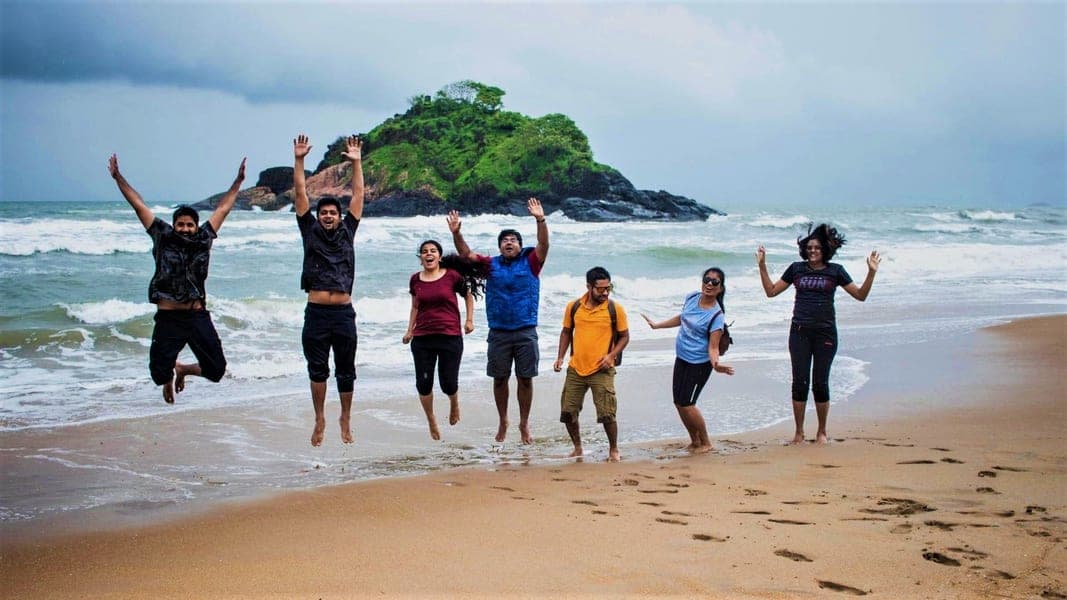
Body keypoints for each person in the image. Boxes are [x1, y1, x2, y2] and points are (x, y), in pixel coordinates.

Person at [108, 153, 246, 404]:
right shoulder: (162, 236)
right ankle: (170, 376)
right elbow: (138, 205)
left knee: (216, 370)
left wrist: (237, 182)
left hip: (196, 315)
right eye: (180, 224)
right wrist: (118, 177)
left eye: (189, 225)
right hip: (169, 317)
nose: (184, 229)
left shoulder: (204, 238)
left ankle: (183, 369)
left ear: (196, 226)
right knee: (158, 373)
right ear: (173, 226)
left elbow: (223, 208)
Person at [757, 223, 881, 444]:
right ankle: (798, 432)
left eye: (817, 248)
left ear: (824, 250)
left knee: (820, 383)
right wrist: (762, 266)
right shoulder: (796, 269)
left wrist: (871, 272)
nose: (812, 251)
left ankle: (822, 431)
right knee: (799, 382)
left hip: (825, 334)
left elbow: (860, 295)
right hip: (799, 332)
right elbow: (771, 291)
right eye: (809, 248)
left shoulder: (836, 271)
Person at [447, 198, 549, 444]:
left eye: (513, 240)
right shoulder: (491, 265)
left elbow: (544, 243)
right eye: (504, 241)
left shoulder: (532, 262)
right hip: (499, 332)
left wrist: (540, 219)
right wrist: (457, 233)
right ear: (500, 247)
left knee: (525, 378)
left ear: (520, 246)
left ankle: (524, 423)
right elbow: (466, 254)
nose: (509, 243)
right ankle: (503, 420)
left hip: (526, 330)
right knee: (500, 378)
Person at [293, 133, 364, 447]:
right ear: (318, 217)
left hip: (343, 314)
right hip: (317, 314)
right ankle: (320, 416)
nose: (328, 216)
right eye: (324, 213)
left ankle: (345, 416)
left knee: (346, 370)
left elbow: (359, 194)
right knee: (317, 369)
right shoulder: (309, 230)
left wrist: (356, 162)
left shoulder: (349, 229)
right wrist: (299, 161)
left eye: (333, 213)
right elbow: (299, 193)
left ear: (339, 216)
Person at [402, 240, 490, 440]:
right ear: (421, 258)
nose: (429, 254)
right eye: (424, 252)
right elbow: (415, 306)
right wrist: (409, 331)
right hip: (422, 338)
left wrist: (469, 320)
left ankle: (454, 403)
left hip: (450, 336)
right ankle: (431, 419)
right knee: (423, 384)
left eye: (433, 251)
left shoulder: (452, 276)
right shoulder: (415, 279)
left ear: (439, 257)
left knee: (448, 383)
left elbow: (468, 296)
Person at [641, 267, 735, 453]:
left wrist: (716, 364)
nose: (709, 284)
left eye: (715, 282)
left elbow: (713, 346)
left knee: (688, 404)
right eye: (707, 280)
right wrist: (658, 326)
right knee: (678, 402)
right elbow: (683, 318)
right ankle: (695, 441)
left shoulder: (716, 316)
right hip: (682, 357)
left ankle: (706, 442)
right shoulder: (692, 297)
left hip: (699, 364)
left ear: (720, 288)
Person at [552, 266, 630, 462]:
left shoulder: (615, 309)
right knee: (568, 412)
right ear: (589, 287)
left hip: (602, 369)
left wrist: (611, 355)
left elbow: (624, 336)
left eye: (608, 288)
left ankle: (613, 449)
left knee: (607, 413)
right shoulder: (574, 306)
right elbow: (566, 332)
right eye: (600, 289)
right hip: (576, 367)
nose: (605, 293)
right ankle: (578, 447)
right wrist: (560, 357)